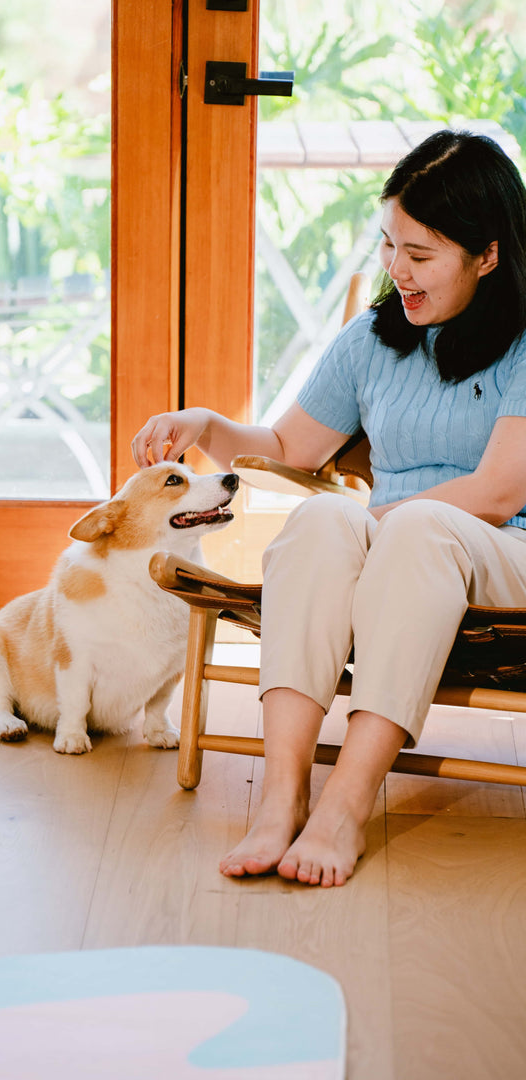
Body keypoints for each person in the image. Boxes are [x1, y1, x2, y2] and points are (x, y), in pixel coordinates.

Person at [131, 129, 526, 888]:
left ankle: (346, 801)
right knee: (319, 517)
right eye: (388, 246)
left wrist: (383, 525)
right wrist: (207, 424)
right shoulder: (376, 337)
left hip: (503, 551)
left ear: (488, 254)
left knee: (407, 523)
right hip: (405, 555)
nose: (396, 271)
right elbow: (289, 445)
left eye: (420, 255)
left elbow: (499, 492)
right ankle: (281, 800)